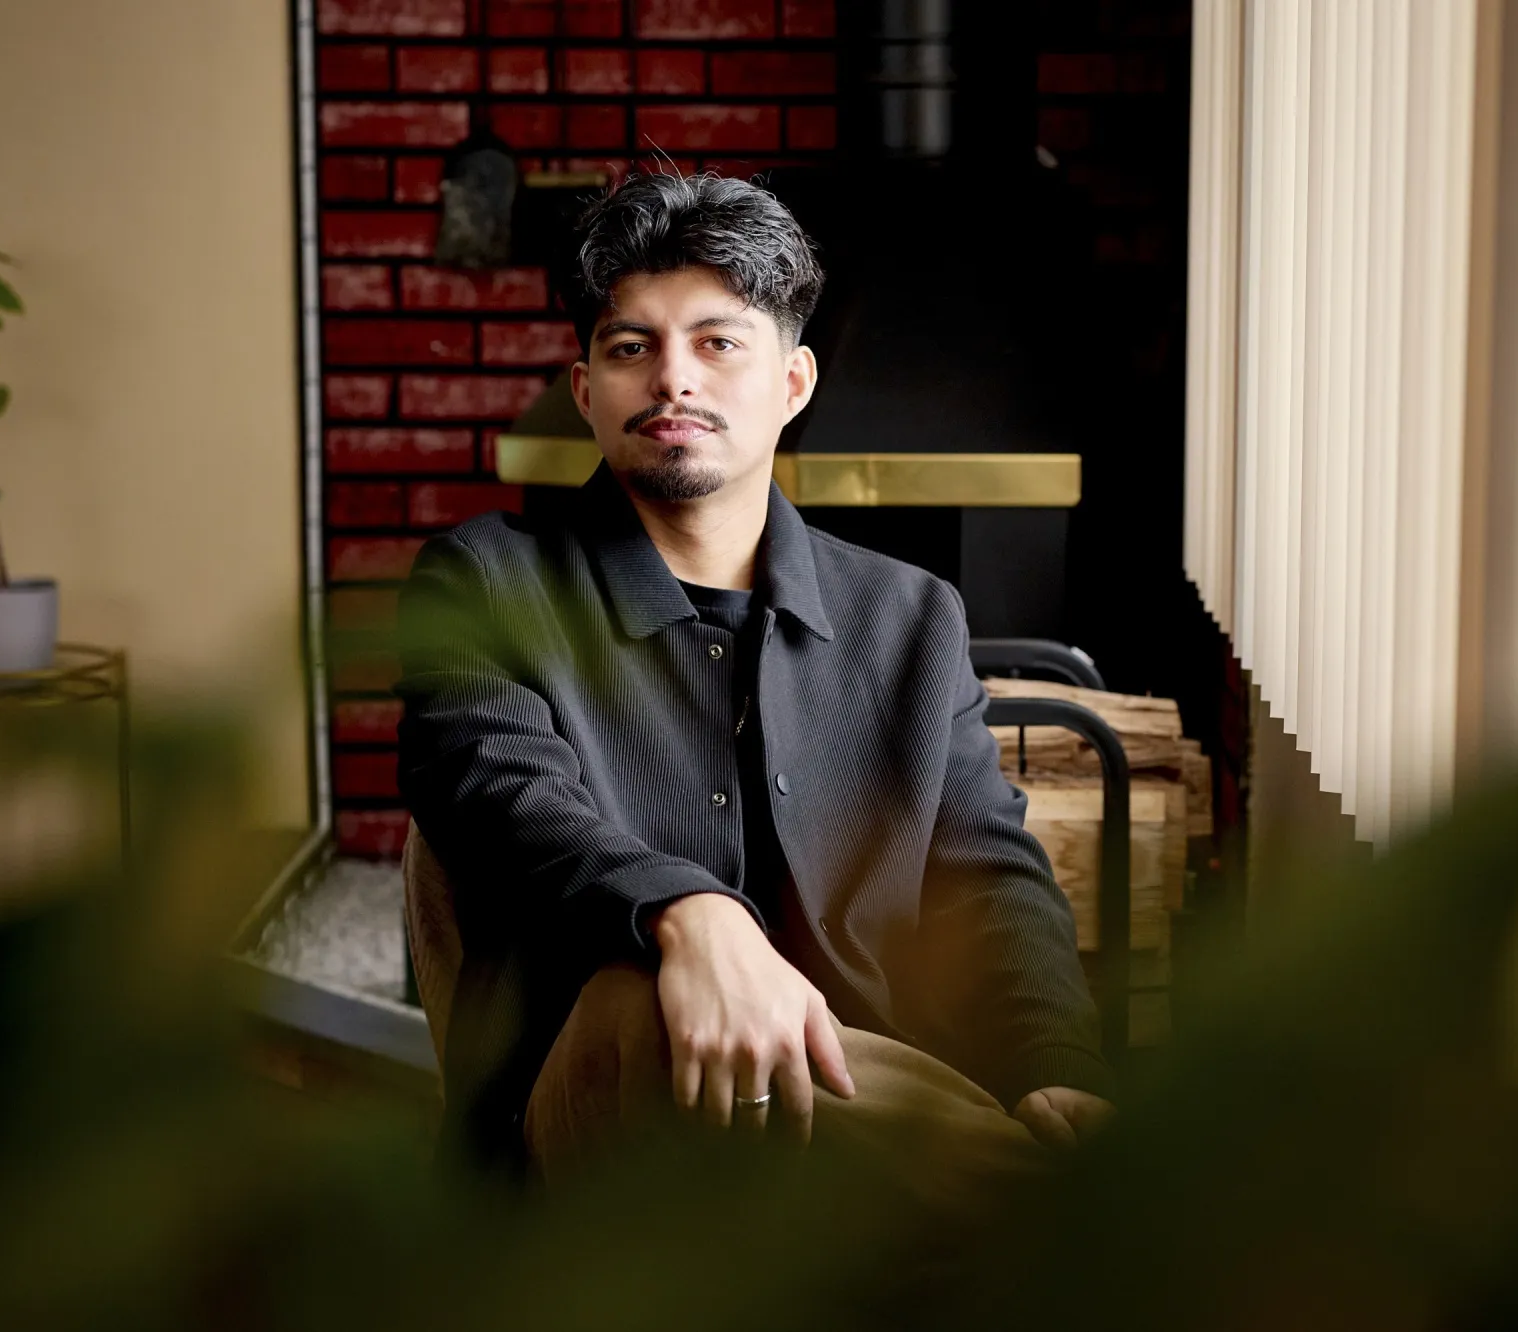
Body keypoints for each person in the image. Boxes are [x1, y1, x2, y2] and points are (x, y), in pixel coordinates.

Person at [394, 171, 1114, 1181]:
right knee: (647, 998)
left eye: (717, 342)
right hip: (596, 1106)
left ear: (793, 384)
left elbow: (986, 873)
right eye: (630, 346)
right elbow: (498, 794)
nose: (672, 380)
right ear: (586, 391)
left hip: (869, 1107)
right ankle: (1036, 1204)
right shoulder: (483, 578)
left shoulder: (909, 617)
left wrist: (1051, 1066)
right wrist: (692, 920)